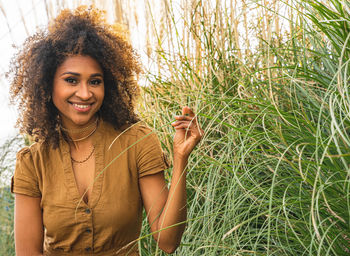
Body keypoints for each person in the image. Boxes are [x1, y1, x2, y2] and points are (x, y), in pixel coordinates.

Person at [8, 6, 203, 256]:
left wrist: (180, 158)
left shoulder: (137, 142)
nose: (85, 93)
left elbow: (167, 241)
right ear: (48, 84)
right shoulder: (32, 162)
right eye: (71, 80)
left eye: (95, 81)